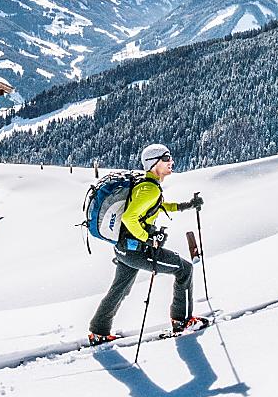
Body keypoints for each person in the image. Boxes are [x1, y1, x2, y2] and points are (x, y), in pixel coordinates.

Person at [88, 143, 205, 346]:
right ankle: (183, 321)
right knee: (184, 269)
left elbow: (156, 206)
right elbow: (129, 217)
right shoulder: (149, 189)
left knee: (120, 289)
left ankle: (99, 331)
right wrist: (149, 239)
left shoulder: (147, 185)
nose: (171, 162)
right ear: (154, 164)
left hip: (124, 248)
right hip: (138, 250)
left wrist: (185, 206)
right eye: (166, 159)